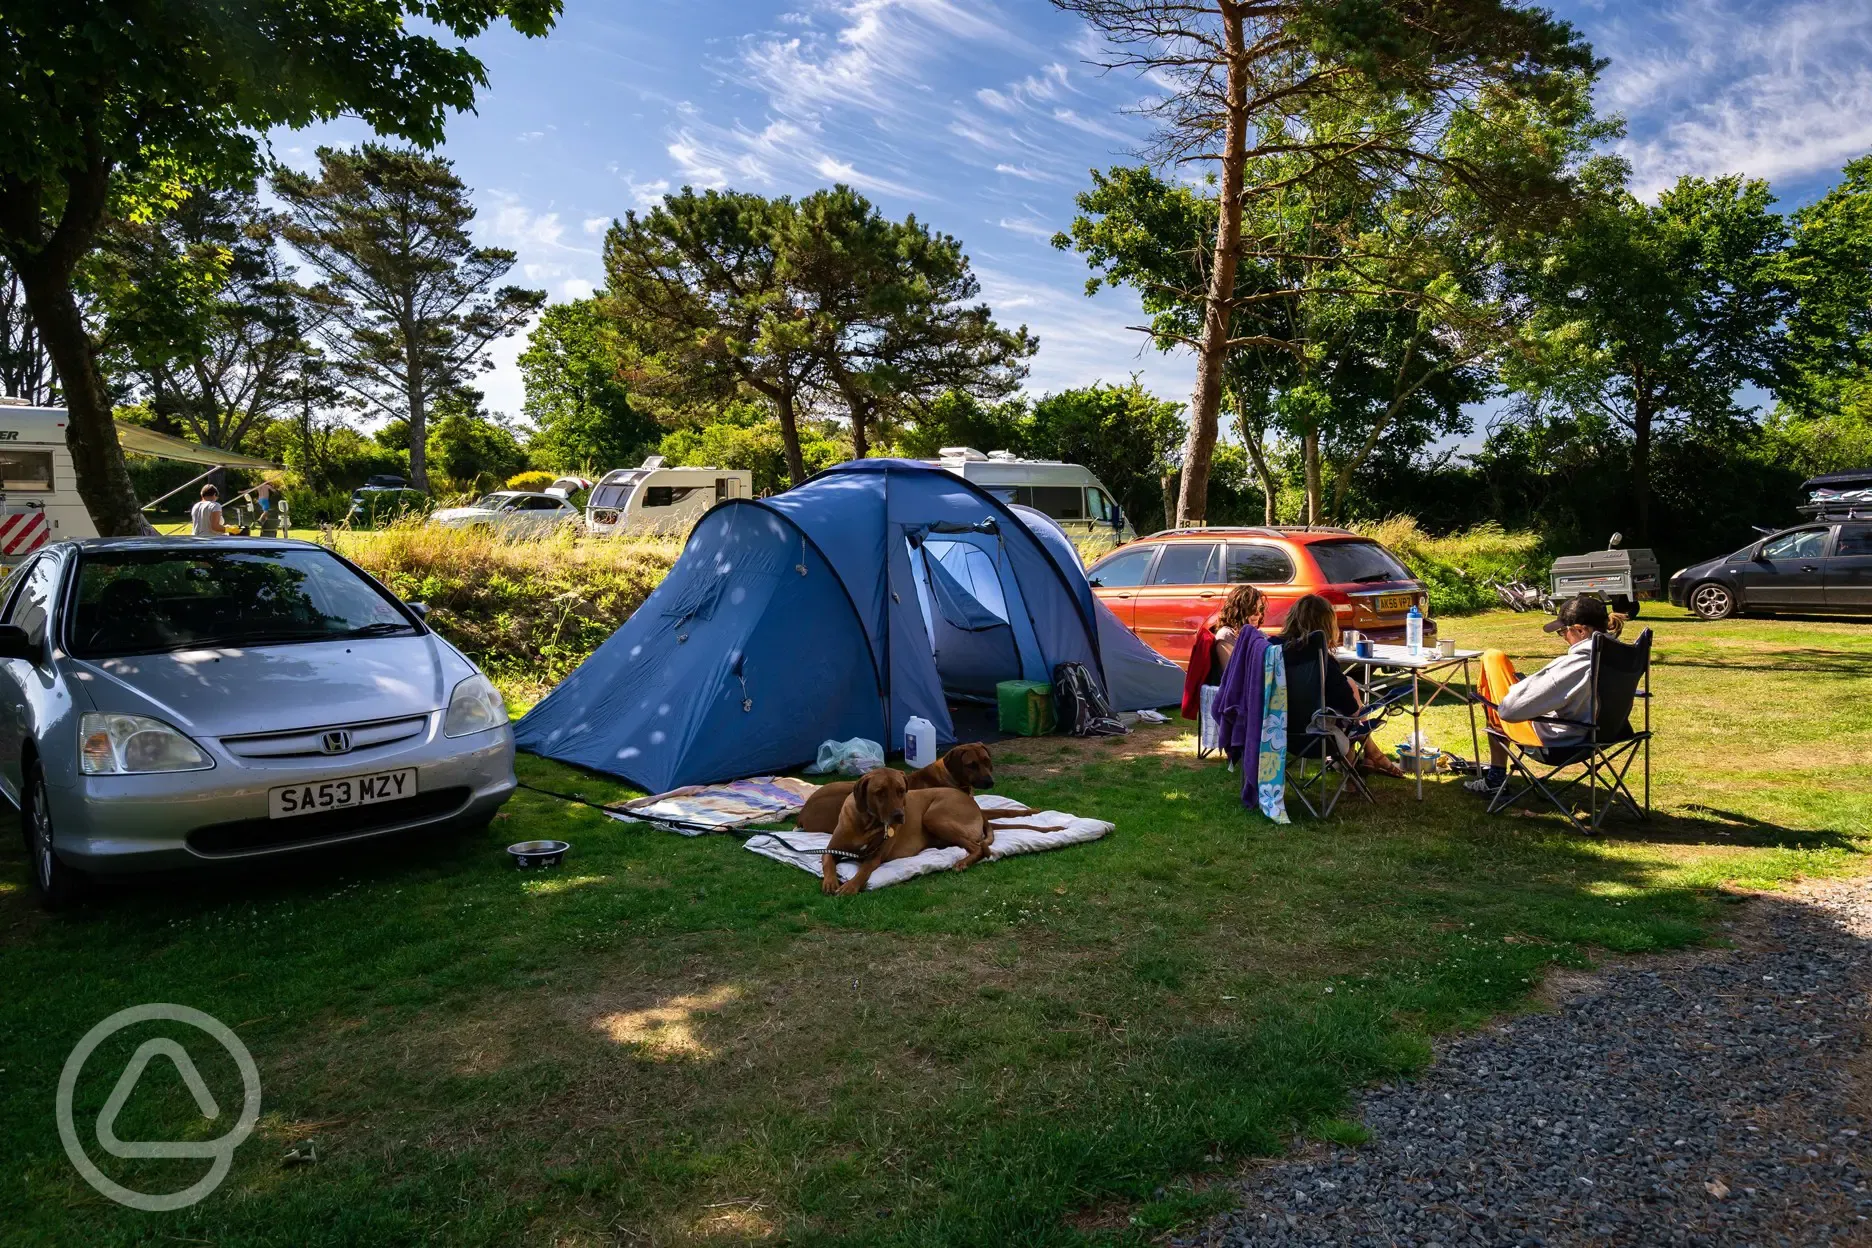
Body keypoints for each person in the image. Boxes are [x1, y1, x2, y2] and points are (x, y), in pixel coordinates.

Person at [1466, 595, 1625, 796]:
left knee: (1493, 658)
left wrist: (1521, 689)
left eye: (1562, 632)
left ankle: (1496, 777)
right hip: (1605, 733)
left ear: (1580, 630)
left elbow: (1509, 710)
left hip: (1560, 742)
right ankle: (1495, 777)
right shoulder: (1619, 656)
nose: (1564, 638)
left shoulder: (1575, 665)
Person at [1276, 593, 1406, 777]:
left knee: (1343, 706)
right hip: (1316, 738)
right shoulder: (1321, 660)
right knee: (1349, 718)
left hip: (1278, 733)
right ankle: (1371, 759)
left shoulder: (1275, 652)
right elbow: (1350, 707)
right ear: (1328, 625)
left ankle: (1367, 762)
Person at [1181, 583, 1267, 721]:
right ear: (1240, 610)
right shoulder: (1226, 635)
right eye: (1253, 609)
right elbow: (1234, 673)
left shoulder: (1259, 634)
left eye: (1260, 609)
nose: (1258, 614)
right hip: (1236, 698)